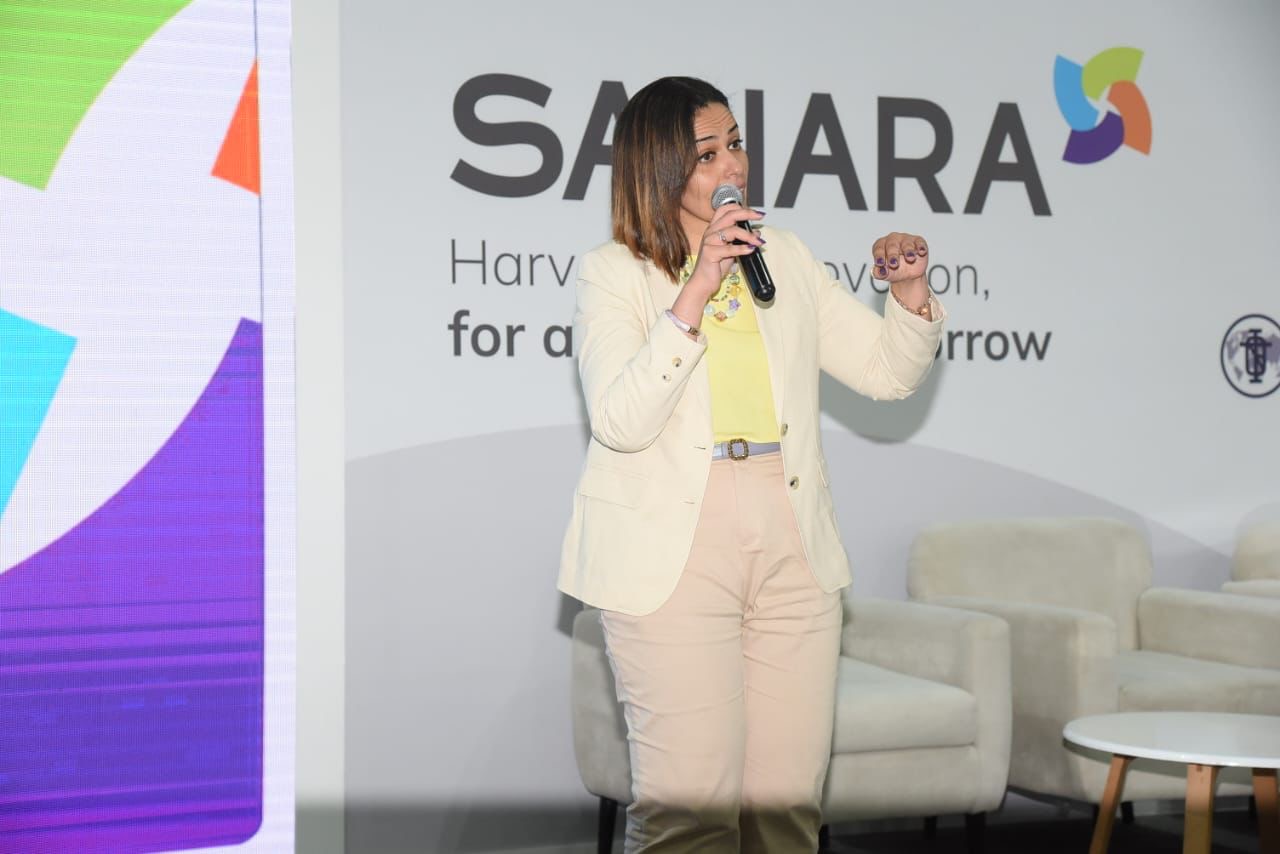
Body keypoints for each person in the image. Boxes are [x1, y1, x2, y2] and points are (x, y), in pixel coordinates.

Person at [558, 76, 946, 854]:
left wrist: (909, 298)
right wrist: (698, 286)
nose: (733, 163)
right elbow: (620, 423)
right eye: (708, 153)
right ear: (659, 166)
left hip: (790, 535)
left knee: (785, 813)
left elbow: (886, 374)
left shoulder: (785, 257)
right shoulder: (614, 271)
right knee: (689, 815)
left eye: (735, 143)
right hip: (674, 548)